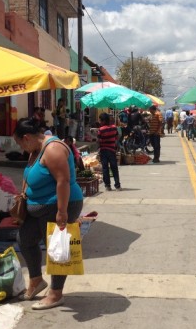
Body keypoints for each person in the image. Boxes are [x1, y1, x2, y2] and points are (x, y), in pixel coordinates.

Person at [13, 117, 84, 310]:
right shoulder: (35, 150)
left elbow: (63, 181)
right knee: (25, 239)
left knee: (57, 249)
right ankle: (36, 280)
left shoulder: (53, 149)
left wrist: (62, 211)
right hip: (38, 207)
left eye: (19, 143)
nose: (20, 147)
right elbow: (28, 175)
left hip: (60, 205)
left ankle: (55, 294)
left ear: (26, 137)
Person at [97, 113, 121, 191]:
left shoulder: (101, 129)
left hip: (104, 150)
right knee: (114, 168)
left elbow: (99, 140)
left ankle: (108, 186)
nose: (100, 122)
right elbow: (116, 137)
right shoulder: (114, 128)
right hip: (112, 150)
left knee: (105, 168)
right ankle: (117, 185)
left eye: (100, 120)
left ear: (103, 121)